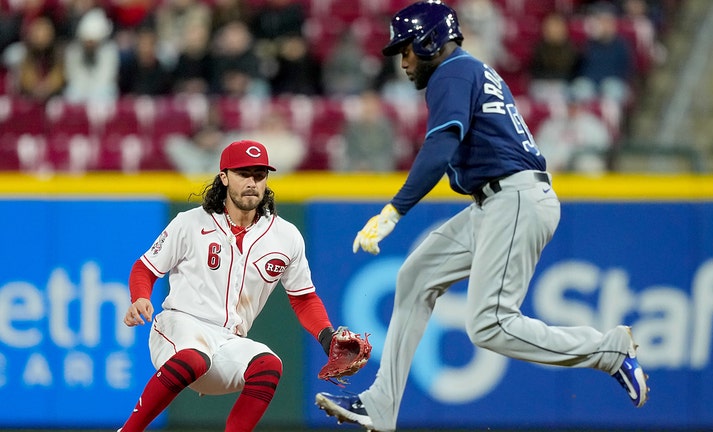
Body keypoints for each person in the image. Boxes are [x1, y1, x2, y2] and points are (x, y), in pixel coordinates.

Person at [314, 2, 649, 431]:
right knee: (415, 276)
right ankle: (381, 405)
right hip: (496, 200)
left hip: (514, 198)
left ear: (429, 41)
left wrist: (394, 209)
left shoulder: (451, 71)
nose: (403, 61)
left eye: (407, 50)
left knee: (489, 325)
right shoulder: (466, 69)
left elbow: (440, 148)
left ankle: (607, 350)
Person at [120, 140, 354, 431]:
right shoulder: (190, 223)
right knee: (193, 358)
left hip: (229, 341)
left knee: (269, 365)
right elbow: (145, 267)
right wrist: (140, 296)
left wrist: (327, 337)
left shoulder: (286, 235)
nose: (252, 182)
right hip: (179, 326)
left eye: (259, 174)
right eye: (244, 173)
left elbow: (303, 298)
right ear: (224, 176)